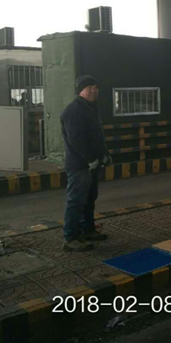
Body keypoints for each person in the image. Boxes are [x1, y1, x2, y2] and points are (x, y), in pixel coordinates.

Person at [60, 75, 112, 251]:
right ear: (80, 91)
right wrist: (91, 159)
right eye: (89, 87)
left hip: (92, 165)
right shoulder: (74, 110)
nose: (94, 90)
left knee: (89, 199)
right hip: (80, 165)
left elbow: (96, 136)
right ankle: (70, 237)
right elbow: (76, 140)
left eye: (95, 87)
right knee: (76, 201)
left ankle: (87, 230)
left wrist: (104, 155)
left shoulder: (89, 108)